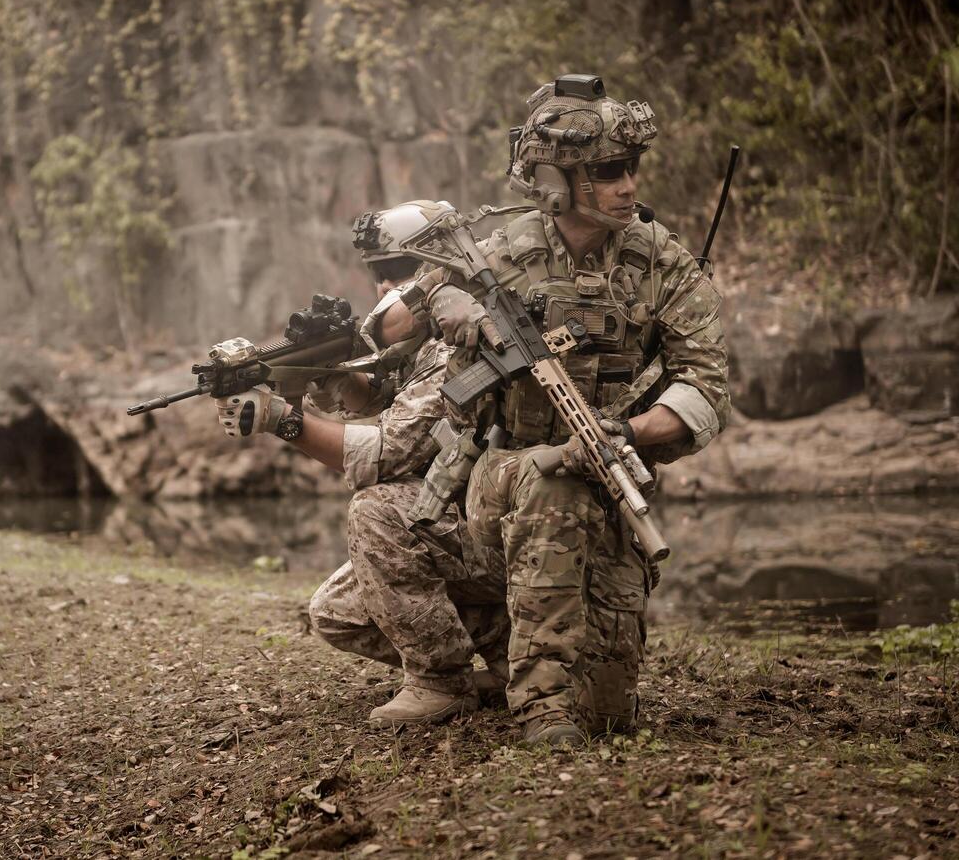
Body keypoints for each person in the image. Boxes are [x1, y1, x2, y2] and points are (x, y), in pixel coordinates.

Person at [387, 73, 731, 746]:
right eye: (606, 171)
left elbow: (704, 387)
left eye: (629, 167)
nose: (627, 184)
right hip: (499, 474)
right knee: (550, 479)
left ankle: (526, 673)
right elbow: (392, 322)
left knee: (608, 712)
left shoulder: (661, 262)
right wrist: (447, 305)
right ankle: (539, 709)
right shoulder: (495, 250)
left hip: (605, 473)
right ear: (553, 180)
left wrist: (624, 429)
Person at [212, 201, 509, 725]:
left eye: (397, 271)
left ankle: (443, 682)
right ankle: (506, 652)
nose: (383, 288)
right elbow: (401, 408)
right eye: (377, 273)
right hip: (481, 525)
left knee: (376, 510)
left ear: (442, 266)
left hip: (514, 535)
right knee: (338, 612)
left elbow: (392, 452)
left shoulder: (466, 341)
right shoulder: (427, 343)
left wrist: (284, 421)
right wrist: (339, 380)